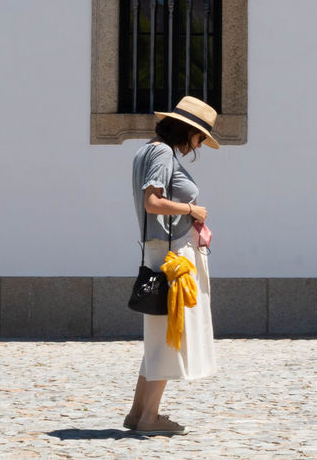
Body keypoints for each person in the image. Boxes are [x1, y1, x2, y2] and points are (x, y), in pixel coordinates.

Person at [124, 96, 220, 436]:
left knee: (159, 337)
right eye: (199, 138)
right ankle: (150, 418)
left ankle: (137, 413)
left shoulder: (145, 151)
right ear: (188, 131)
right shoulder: (163, 153)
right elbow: (153, 203)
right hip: (172, 257)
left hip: (157, 252)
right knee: (169, 334)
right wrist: (192, 210)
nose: (199, 145)